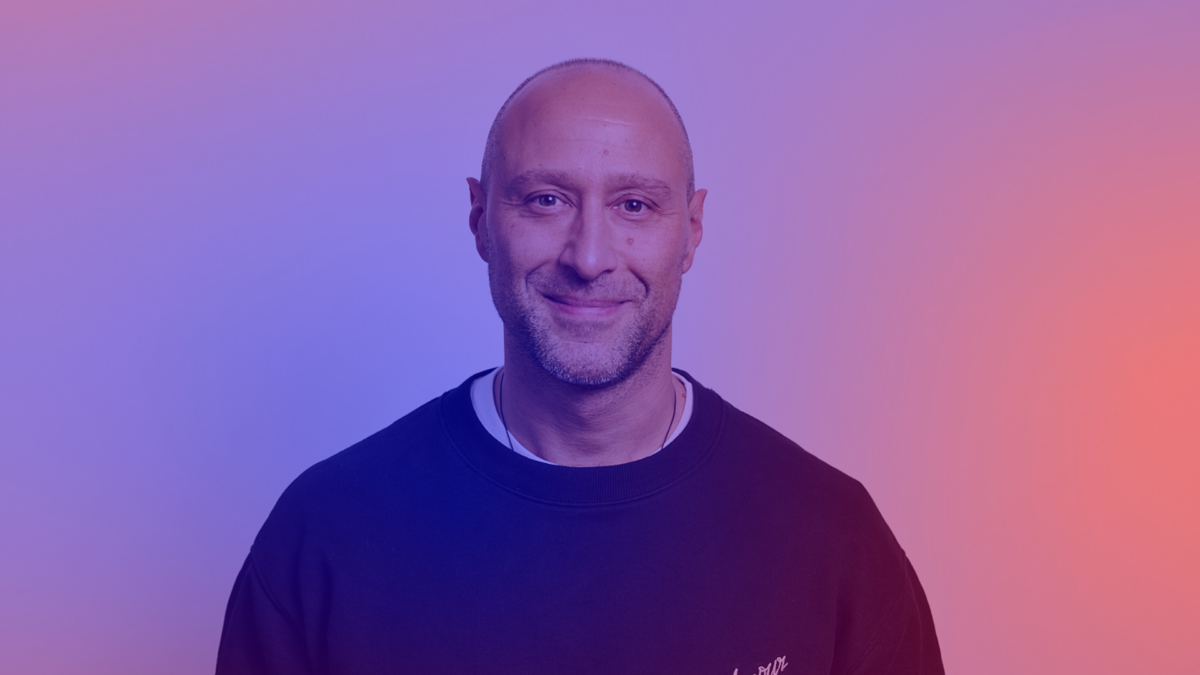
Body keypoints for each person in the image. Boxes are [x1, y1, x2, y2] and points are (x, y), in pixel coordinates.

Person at [216, 58, 944, 675]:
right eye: (546, 200)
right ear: (480, 221)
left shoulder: (832, 535)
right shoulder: (326, 533)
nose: (590, 257)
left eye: (635, 205)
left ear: (691, 231)